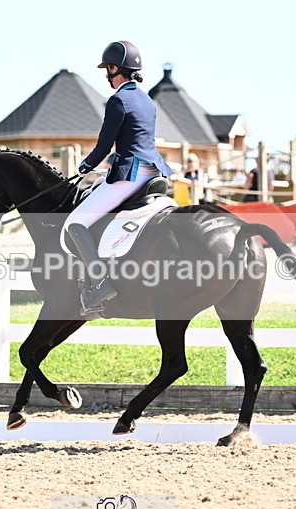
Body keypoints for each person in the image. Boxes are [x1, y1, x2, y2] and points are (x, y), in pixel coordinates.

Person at [62, 40, 174, 316]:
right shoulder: (146, 99)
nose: (106, 74)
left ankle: (100, 283)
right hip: (153, 170)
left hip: (130, 173)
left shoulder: (118, 100)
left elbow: (104, 145)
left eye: (108, 68)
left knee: (76, 223)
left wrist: (84, 166)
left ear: (117, 68)